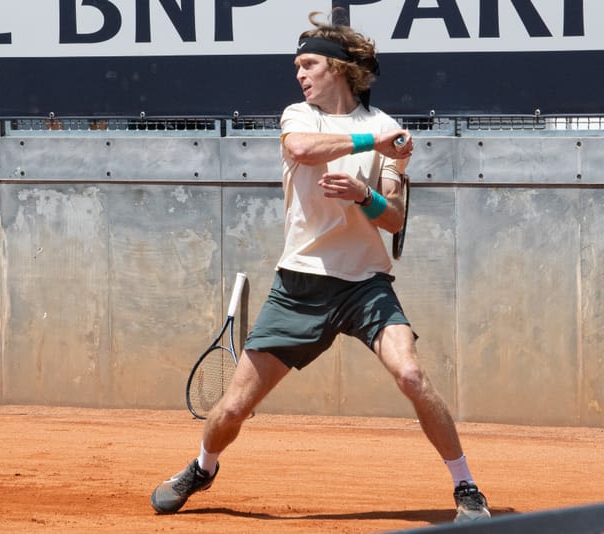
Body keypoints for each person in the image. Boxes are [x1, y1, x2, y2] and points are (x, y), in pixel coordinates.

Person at [151, 10, 491, 524]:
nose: (299, 74)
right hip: (300, 285)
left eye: (308, 64)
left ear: (338, 68)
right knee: (235, 407)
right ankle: (203, 467)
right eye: (297, 66)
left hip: (366, 285)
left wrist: (364, 195)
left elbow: (395, 217)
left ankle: (466, 487)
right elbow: (302, 150)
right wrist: (371, 145)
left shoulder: (387, 131)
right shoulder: (300, 117)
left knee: (412, 375)